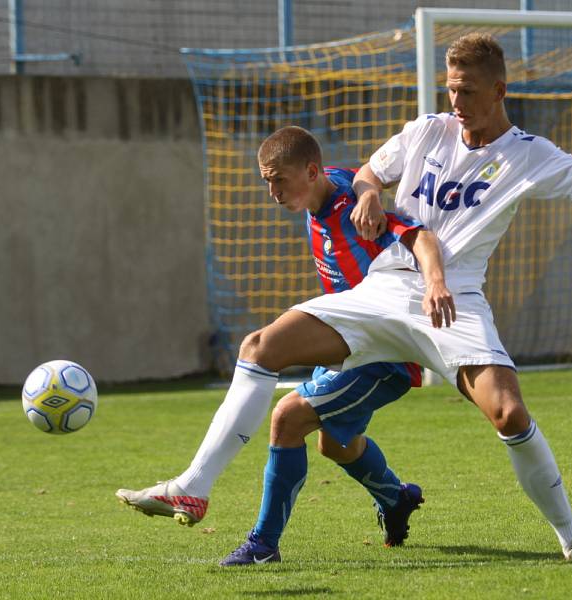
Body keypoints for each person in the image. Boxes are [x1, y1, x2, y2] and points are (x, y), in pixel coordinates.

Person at [121, 32, 572, 567]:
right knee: (260, 346)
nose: (456, 102)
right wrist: (369, 195)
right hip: (384, 288)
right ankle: (193, 486)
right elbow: (368, 173)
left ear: (499, 91)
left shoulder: (528, 154)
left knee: (509, 412)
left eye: (468, 91)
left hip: (455, 298)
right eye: (451, 89)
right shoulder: (428, 130)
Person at [118, 125, 448, 558]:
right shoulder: (329, 186)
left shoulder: (354, 211)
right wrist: (369, 185)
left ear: (311, 172)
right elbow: (360, 174)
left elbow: (417, 235)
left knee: (285, 410)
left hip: (384, 354)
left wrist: (434, 282)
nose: (272, 191)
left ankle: (254, 537)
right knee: (336, 444)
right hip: (348, 342)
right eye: (266, 180)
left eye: (279, 179)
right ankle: (396, 497)